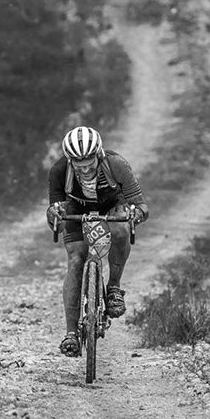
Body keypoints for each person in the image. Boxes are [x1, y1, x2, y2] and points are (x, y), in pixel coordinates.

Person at [46, 125, 149, 357]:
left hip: (111, 206)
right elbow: (55, 211)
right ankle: (71, 334)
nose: (84, 169)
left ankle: (113, 289)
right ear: (69, 160)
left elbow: (141, 205)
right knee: (75, 259)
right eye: (78, 164)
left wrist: (136, 214)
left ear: (98, 154)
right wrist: (54, 215)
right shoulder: (59, 171)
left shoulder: (116, 165)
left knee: (121, 231)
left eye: (89, 163)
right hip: (76, 210)